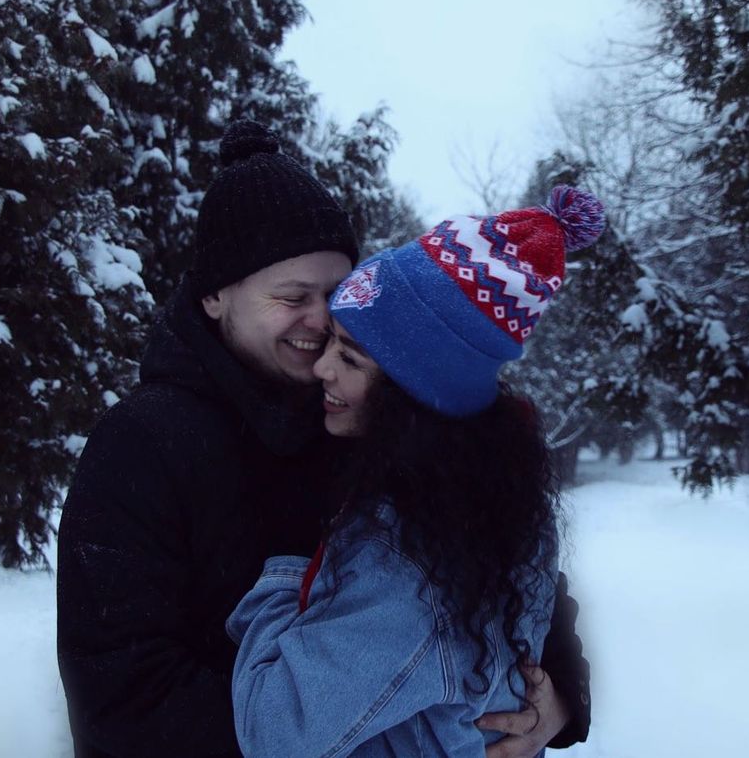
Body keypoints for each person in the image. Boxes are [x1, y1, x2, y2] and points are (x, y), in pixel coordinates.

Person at [56, 120, 591, 758]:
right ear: (215, 296)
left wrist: (555, 699)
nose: (320, 319)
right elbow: (120, 695)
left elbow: (501, 572)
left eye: (336, 294)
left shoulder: (375, 415)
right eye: (292, 297)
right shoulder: (142, 444)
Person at [229, 186, 605, 757]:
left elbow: (274, 732)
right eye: (330, 342)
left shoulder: (407, 561)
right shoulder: (494, 500)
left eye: (349, 357)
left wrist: (288, 568)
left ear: (412, 398)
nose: (322, 368)